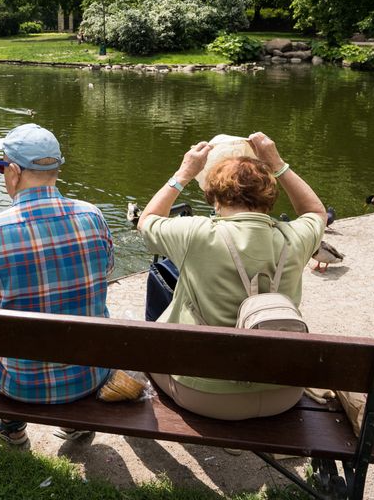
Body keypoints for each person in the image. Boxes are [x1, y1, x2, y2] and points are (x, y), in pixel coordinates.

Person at [136, 132, 325, 421]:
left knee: (146, 347)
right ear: (270, 196)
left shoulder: (197, 234)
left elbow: (146, 220)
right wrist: (278, 163)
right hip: (284, 394)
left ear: (214, 196)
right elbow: (314, 210)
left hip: (206, 396)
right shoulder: (294, 238)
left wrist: (184, 172)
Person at [0, 123, 113, 447]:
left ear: (13, 172)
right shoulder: (93, 216)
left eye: (1, 167)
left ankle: (9, 425)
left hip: (19, 384)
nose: (2, 174)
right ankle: (76, 423)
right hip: (89, 376)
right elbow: (106, 269)